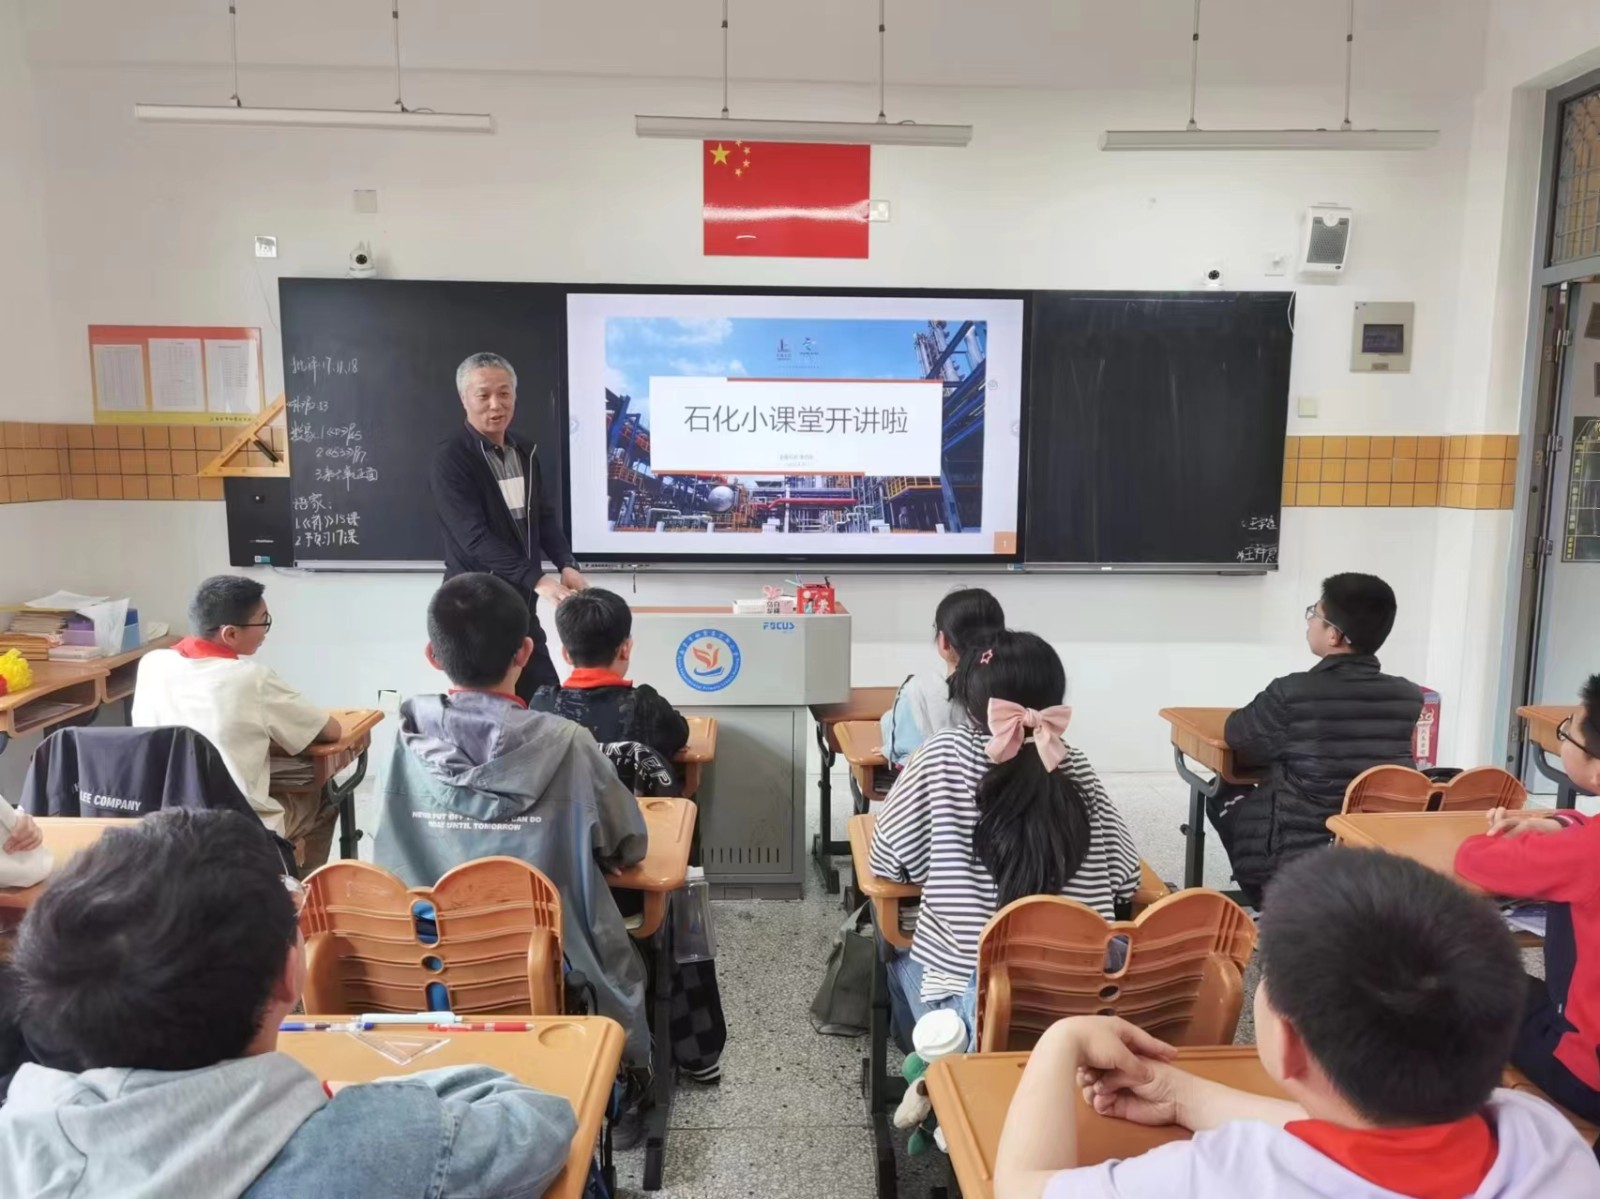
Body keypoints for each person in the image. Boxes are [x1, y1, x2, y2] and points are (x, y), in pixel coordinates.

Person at [0, 809, 578, 1198]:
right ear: (288, 974)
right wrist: (353, 1098)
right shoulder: (374, 1144)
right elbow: (539, 1120)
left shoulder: (21, 1134)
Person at [993, 846, 1600, 1198]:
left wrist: (1063, 1038)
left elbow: (1021, 1187)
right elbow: (1357, 1144)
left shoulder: (1216, 1178)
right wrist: (1181, 1095)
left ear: (1285, 1040)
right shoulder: (1545, 1140)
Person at [374, 573, 652, 1079]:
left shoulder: (404, 739)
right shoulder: (568, 742)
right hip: (552, 966)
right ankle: (628, 1084)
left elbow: (386, 846)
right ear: (525, 652)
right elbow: (628, 843)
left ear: (433, 656)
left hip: (425, 967)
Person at [868, 629, 1140, 1051]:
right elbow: (1125, 877)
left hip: (970, 1008)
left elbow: (888, 862)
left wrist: (945, 869)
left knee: (893, 950)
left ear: (969, 697)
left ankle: (933, 1068)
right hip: (1081, 1001)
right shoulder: (1071, 760)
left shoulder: (941, 754)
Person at [1211, 572, 1422, 902]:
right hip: (1373, 845)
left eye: (1315, 614)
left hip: (1297, 851)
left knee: (1222, 790)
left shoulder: (1291, 692)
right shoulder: (1408, 695)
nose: (1309, 622)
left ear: (1334, 635)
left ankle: (1269, 900)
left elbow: (1237, 736)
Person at [1455, 672, 1600, 1131]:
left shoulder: (1587, 854)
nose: (1563, 738)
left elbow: (1474, 860)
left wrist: (1506, 833)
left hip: (1586, 1075)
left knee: (1459, 975)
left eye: (1568, 732)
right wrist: (1562, 824)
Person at [132, 576, 343, 870]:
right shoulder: (251, 678)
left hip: (163, 817)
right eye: (263, 621)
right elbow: (329, 731)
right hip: (236, 824)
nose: (266, 630)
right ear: (230, 633)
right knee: (326, 795)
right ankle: (297, 886)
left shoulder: (152, 664)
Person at [430, 351, 588, 700]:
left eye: (504, 393)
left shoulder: (524, 453)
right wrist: (539, 580)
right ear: (464, 399)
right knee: (487, 711)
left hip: (521, 605)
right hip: (475, 610)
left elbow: (543, 517)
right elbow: (474, 538)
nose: (495, 404)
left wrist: (567, 564)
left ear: (515, 396)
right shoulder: (451, 458)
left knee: (547, 702)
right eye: (483, 395)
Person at [529, 587, 690, 771]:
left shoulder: (542, 704)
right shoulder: (647, 706)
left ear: (566, 654)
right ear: (625, 649)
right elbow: (680, 733)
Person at [880, 586, 1005, 766]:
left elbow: (900, 750)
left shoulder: (917, 691)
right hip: (1008, 782)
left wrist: (887, 737)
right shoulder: (1017, 684)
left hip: (931, 782)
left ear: (943, 640)